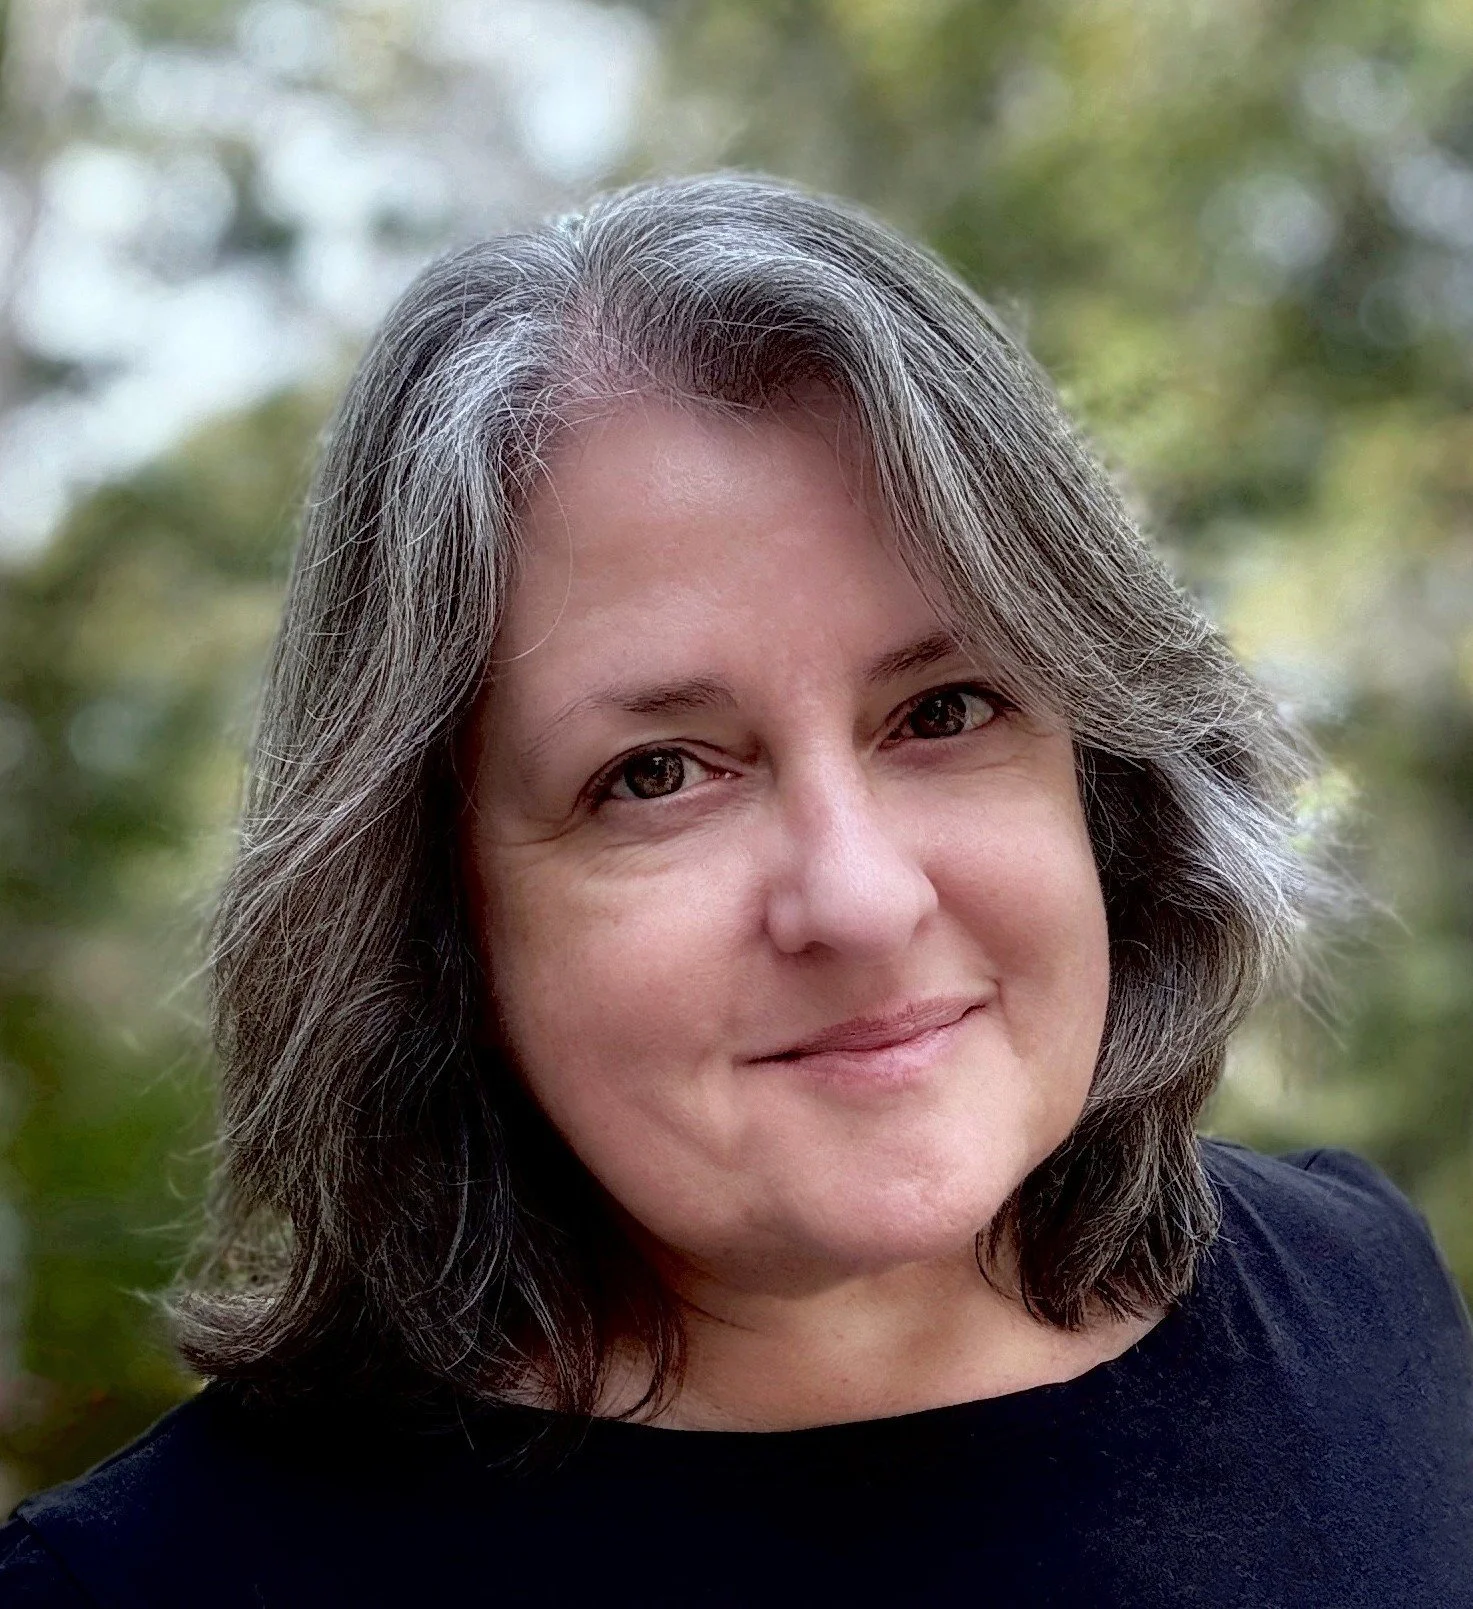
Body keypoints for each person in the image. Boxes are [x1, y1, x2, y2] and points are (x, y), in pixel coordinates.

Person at [0, 173, 1468, 1608]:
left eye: (945, 710)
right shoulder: (147, 1585)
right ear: (431, 910)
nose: (860, 897)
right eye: (655, 773)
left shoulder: (1362, 1301)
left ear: (1101, 768)